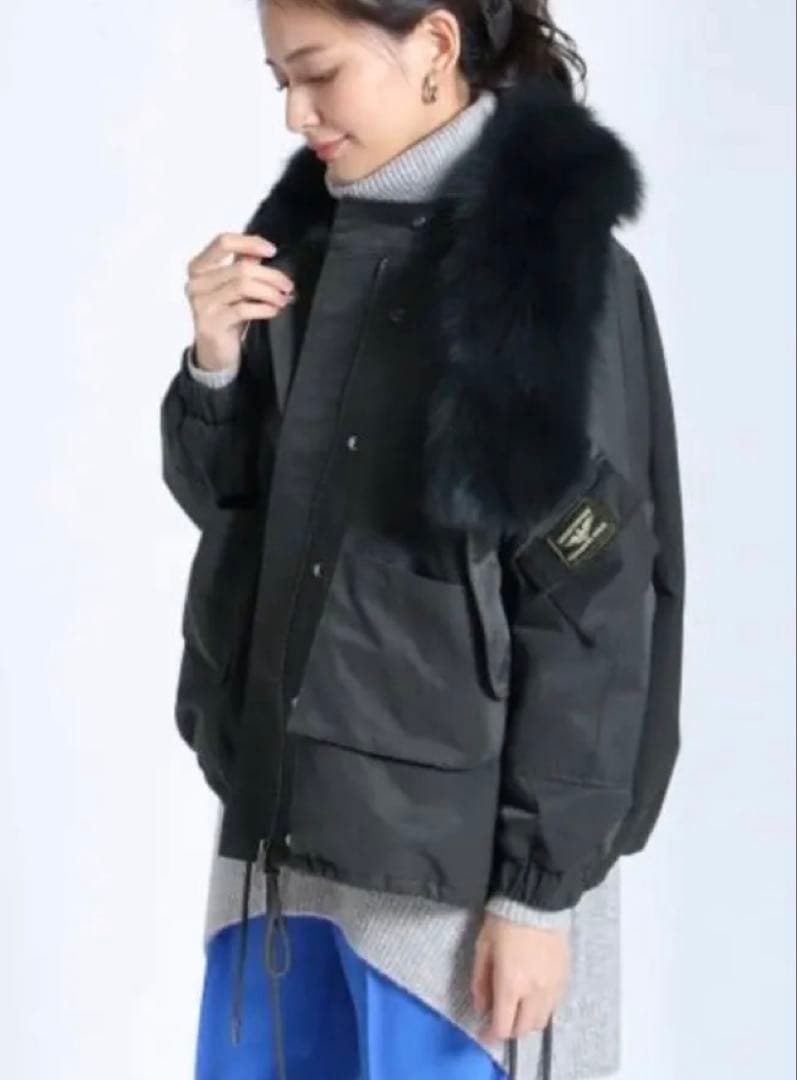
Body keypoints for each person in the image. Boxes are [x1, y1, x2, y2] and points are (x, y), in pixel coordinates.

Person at [159, 0, 686, 1077]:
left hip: (448, 885)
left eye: (319, 74)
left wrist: (535, 896)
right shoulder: (303, 250)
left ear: (435, 46)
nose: (298, 114)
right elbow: (231, 509)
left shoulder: (541, 274)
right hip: (277, 840)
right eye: (280, 83)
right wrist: (214, 362)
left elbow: (590, 609)